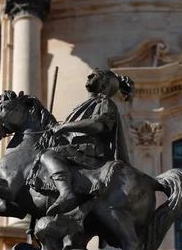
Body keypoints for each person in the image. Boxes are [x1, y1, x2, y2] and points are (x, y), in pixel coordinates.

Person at [39, 68, 134, 216]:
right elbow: (70, 134)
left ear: (104, 85)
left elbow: (97, 125)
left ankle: (66, 192)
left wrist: (64, 127)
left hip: (88, 150)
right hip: (75, 148)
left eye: (95, 75)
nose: (89, 76)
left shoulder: (105, 103)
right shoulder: (81, 105)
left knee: (48, 156)